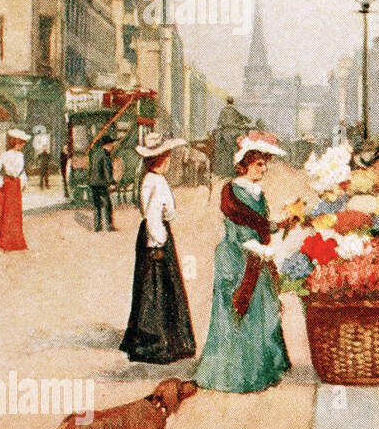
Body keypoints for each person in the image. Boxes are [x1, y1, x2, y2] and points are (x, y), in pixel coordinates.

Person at [194, 131, 294, 394]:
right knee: (239, 311)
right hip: (238, 257)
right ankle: (238, 375)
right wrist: (259, 248)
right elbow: (238, 229)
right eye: (259, 163)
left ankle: (265, 368)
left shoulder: (257, 191)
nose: (264, 168)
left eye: (265, 163)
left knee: (264, 311)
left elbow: (260, 223)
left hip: (256, 255)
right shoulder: (233, 192)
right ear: (243, 165)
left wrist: (281, 224)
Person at [120, 133, 196, 365]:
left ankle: (144, 335)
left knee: (149, 286)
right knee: (160, 287)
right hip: (156, 238)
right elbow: (155, 216)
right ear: (160, 161)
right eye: (167, 159)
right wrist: (158, 243)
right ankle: (159, 340)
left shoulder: (147, 180)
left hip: (148, 235)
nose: (169, 162)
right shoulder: (159, 183)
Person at [0, 128, 29, 252]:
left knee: (15, 213)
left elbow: (22, 172)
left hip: (16, 185)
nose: (22, 145)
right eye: (20, 142)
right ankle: (6, 241)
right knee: (6, 212)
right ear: (15, 142)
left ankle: (16, 241)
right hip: (7, 185)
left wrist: (23, 183)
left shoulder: (21, 156)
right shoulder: (5, 155)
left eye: (23, 143)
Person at [89, 133, 118, 232]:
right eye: (112, 144)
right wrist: (112, 182)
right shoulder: (106, 155)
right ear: (108, 145)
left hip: (93, 183)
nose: (113, 146)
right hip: (101, 183)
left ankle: (97, 226)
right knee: (107, 204)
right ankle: (109, 226)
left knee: (97, 205)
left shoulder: (96, 154)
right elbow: (107, 170)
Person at [31, 126, 52, 190]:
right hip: (42, 166)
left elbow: (50, 159)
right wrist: (37, 163)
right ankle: (41, 186)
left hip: (46, 166)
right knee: (41, 177)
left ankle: (47, 185)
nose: (45, 149)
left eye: (46, 148)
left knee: (46, 177)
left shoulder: (48, 154)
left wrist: (49, 163)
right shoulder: (41, 154)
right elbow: (38, 158)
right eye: (44, 148)